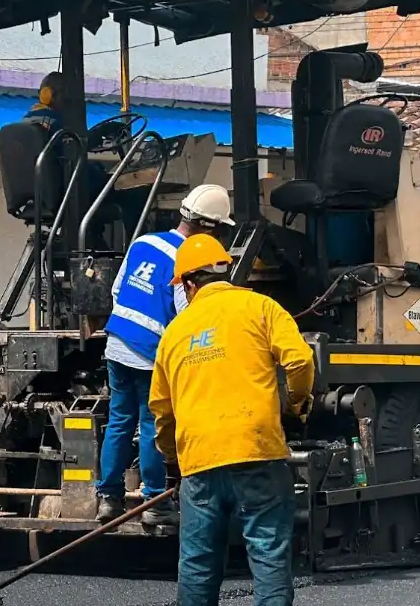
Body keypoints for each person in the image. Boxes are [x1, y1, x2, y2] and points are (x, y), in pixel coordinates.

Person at [149, 234, 314, 606]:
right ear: (224, 270)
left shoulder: (174, 334)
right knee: (268, 553)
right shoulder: (260, 307)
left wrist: (173, 461)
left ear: (188, 284)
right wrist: (297, 404)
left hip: (200, 462)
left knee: (198, 564)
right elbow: (300, 361)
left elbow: (161, 409)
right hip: (256, 450)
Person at [96, 184, 236, 525]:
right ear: (208, 226)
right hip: (148, 353)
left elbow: (117, 289)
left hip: (117, 343)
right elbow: (188, 313)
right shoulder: (188, 258)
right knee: (151, 425)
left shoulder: (143, 242)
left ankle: (108, 499)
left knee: (118, 422)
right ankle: (155, 504)